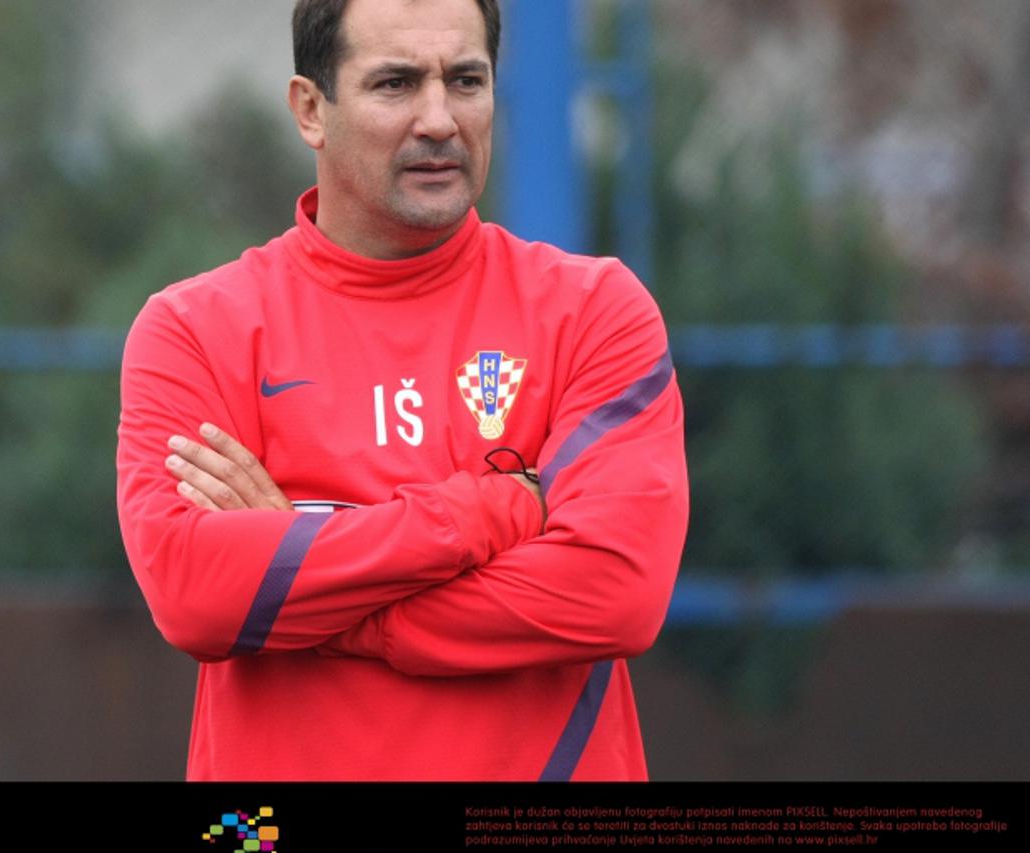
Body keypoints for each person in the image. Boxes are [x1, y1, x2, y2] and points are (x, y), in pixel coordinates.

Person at [115, 0, 687, 781]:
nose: (440, 119)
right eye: (395, 83)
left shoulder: (596, 311)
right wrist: (491, 509)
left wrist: (306, 573)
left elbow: (616, 591)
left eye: (466, 80)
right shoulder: (192, 329)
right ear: (311, 110)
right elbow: (194, 593)